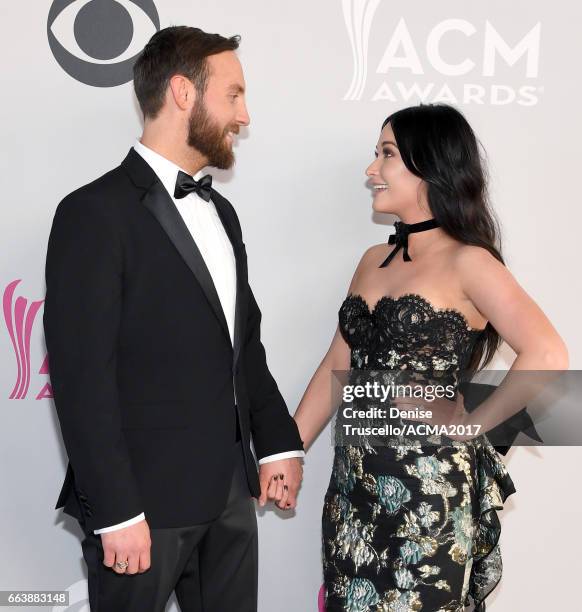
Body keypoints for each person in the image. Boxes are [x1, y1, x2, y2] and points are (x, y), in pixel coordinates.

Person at [43, 25, 304, 612]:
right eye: (233, 95)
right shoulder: (94, 213)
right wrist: (116, 512)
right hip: (143, 509)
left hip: (232, 497)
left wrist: (278, 443)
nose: (245, 115)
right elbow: (83, 379)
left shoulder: (224, 214)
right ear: (183, 93)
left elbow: (244, 344)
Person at [293, 103, 569, 610]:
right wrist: (289, 449)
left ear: (430, 166)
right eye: (376, 154)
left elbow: (547, 351)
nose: (371, 170)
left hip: (426, 503)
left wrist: (473, 426)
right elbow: (339, 365)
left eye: (387, 154)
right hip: (353, 498)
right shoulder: (372, 261)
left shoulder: (470, 262)